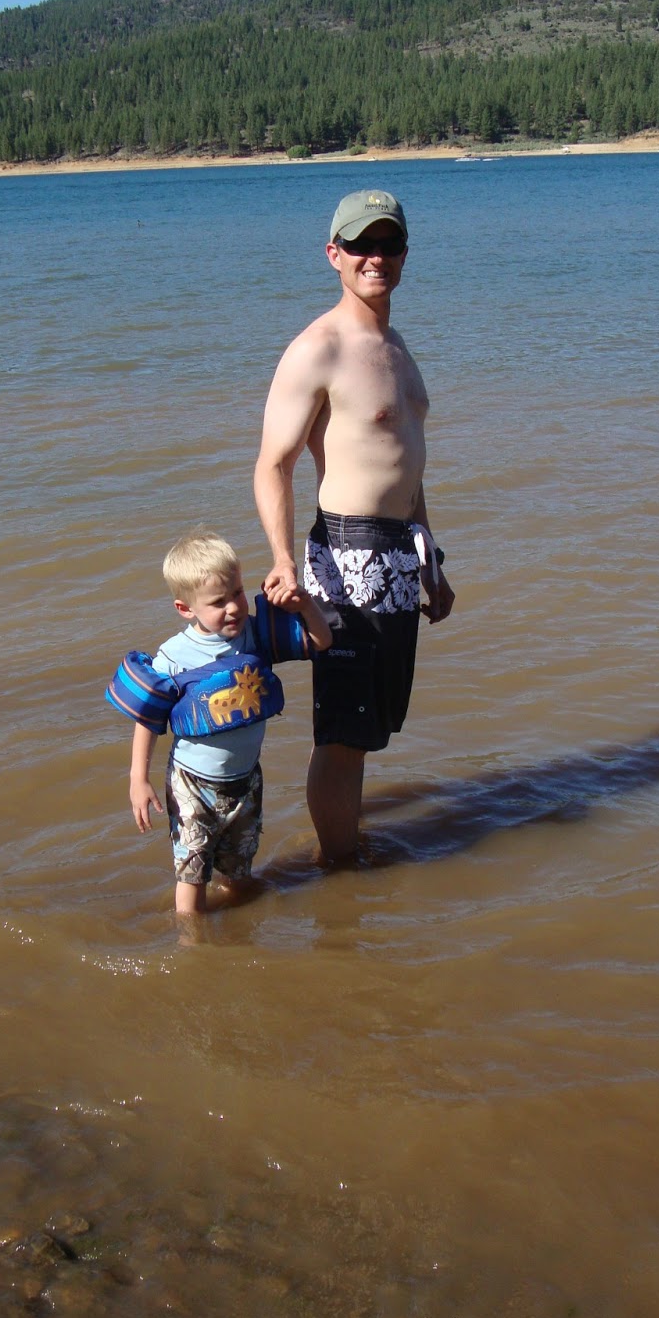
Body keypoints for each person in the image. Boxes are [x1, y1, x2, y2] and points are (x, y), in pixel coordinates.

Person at [254, 188, 454, 863]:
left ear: (404, 253)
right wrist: (282, 560)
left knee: (372, 727)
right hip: (344, 557)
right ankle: (338, 872)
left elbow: (407, 464)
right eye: (361, 245)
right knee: (341, 732)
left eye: (388, 244)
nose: (376, 257)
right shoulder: (319, 348)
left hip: (400, 556)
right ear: (333, 254)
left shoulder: (397, 347)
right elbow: (272, 465)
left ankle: (347, 856)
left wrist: (432, 560)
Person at [106, 533, 331, 913]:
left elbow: (321, 641)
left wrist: (306, 604)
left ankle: (236, 935)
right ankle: (191, 946)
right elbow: (147, 719)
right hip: (193, 783)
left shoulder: (256, 635)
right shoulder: (173, 658)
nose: (233, 608)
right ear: (185, 608)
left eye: (238, 593)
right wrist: (137, 779)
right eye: (217, 602)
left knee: (238, 872)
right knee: (192, 873)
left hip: (245, 779)